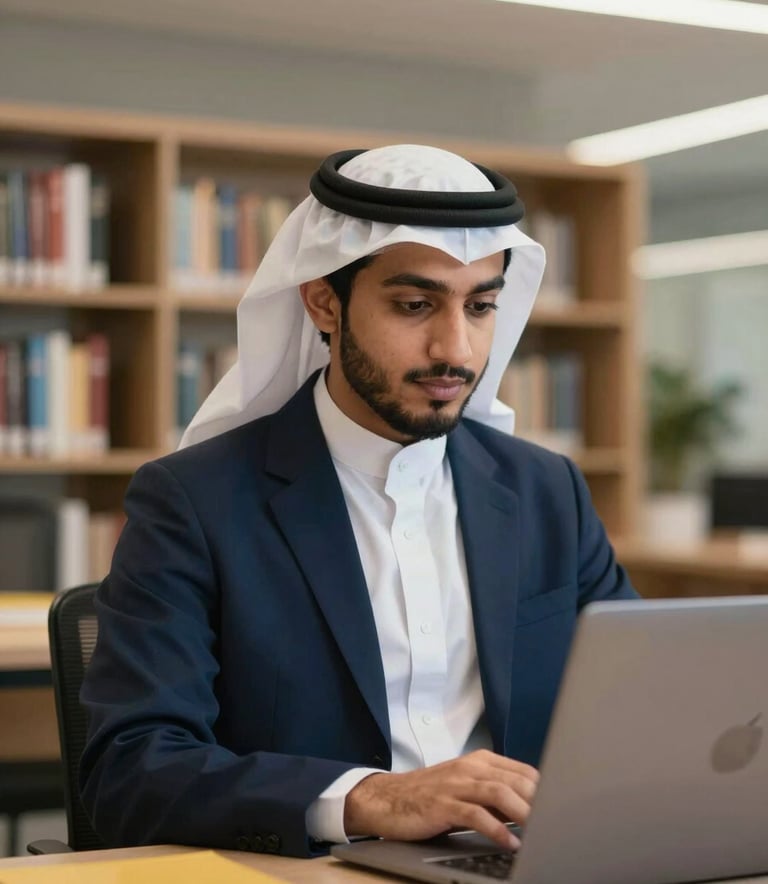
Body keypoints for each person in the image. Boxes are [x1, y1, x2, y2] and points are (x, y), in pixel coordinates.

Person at [80, 144, 638, 859]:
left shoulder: (545, 491)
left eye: (481, 306)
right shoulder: (194, 502)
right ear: (323, 301)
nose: (456, 350)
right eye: (414, 305)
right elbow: (131, 770)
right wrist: (368, 798)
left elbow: (634, 709)